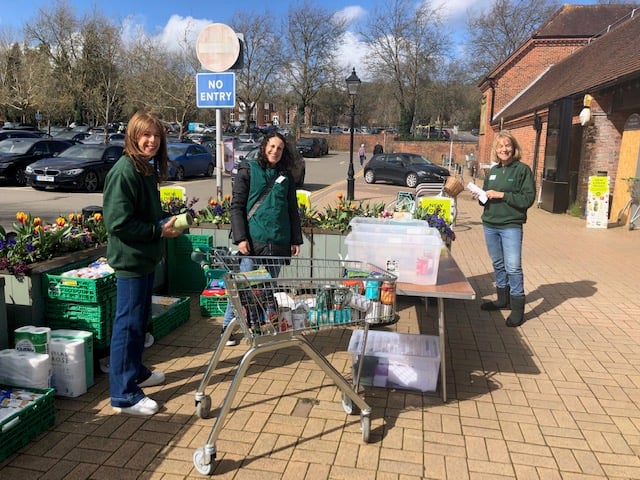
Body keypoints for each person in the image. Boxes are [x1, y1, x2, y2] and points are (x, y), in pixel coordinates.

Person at [103, 111, 183, 416]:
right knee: (128, 324)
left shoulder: (144, 169)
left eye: (157, 136)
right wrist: (157, 230)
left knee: (139, 321)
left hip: (145, 257)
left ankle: (135, 370)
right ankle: (123, 395)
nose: (151, 141)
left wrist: (164, 224)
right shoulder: (124, 171)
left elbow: (143, 216)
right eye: (145, 135)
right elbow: (118, 223)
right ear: (133, 136)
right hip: (131, 260)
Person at [221, 131, 303, 345]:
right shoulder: (248, 170)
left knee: (264, 290)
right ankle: (228, 328)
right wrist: (240, 238)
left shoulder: (286, 176)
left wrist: (295, 240)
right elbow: (237, 206)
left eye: (280, 148)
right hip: (252, 243)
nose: (275, 151)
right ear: (264, 146)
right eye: (272, 146)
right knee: (244, 289)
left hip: (277, 242)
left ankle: (255, 329)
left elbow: (292, 210)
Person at [475, 130, 535, 328]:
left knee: (513, 266)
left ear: (514, 148)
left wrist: (502, 195)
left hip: (510, 225)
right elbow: (486, 198)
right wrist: (481, 197)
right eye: (500, 147)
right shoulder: (493, 171)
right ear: (496, 150)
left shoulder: (522, 170)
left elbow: (527, 199)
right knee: (498, 263)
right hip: (490, 224)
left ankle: (518, 308)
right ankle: (502, 299)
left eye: (507, 146)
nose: (504, 150)